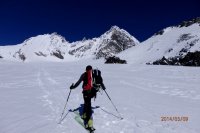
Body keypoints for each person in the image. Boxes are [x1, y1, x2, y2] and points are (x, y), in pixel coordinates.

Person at [70, 65, 106, 130]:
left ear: (86, 70)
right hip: (92, 93)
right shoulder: (95, 74)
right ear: (91, 69)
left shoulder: (84, 74)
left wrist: (72, 87)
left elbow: (78, 83)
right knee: (87, 103)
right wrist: (103, 88)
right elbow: (101, 82)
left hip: (86, 92)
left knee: (88, 105)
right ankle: (84, 115)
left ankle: (89, 124)